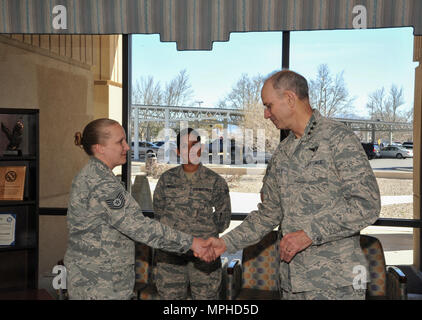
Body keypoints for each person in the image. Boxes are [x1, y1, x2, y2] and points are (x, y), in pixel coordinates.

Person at [207, 70, 381, 300]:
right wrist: (225, 243)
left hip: (336, 283)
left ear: (289, 99)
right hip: (291, 281)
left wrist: (309, 233)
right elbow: (269, 213)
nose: (266, 114)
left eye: (269, 105)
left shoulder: (338, 139)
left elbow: (367, 204)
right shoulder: (283, 152)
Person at [64, 119, 214, 300]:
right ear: (100, 148)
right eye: (120, 142)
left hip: (102, 283)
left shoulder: (99, 176)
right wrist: (191, 243)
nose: (127, 147)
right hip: (98, 286)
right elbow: (139, 227)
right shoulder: (99, 182)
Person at [153, 128, 231, 299]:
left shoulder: (215, 182)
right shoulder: (166, 180)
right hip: (170, 255)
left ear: (201, 148)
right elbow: (158, 214)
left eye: (194, 146)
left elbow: (223, 219)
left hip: (204, 256)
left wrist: (203, 231)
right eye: (184, 147)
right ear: (178, 151)